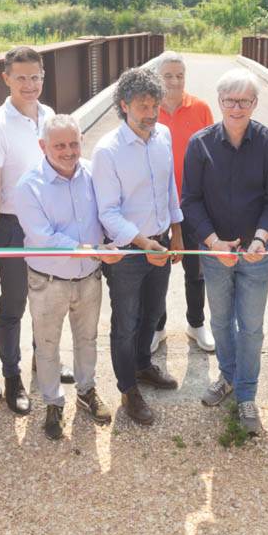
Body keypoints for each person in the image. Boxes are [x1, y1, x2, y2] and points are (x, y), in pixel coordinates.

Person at [182, 69, 268, 437]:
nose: (237, 107)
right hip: (215, 250)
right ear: (220, 103)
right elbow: (190, 200)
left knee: (253, 326)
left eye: (245, 101)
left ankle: (246, 393)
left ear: (255, 104)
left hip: (256, 250)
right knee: (220, 320)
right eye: (230, 101)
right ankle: (227, 377)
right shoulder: (200, 143)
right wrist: (213, 242)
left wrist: (260, 238)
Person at [0, 46, 71, 416]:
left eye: (36, 77)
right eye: (22, 78)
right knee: (14, 306)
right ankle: (12, 377)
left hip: (50, 222)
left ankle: (42, 363)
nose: (30, 85)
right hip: (14, 226)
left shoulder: (50, 116)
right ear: (6, 79)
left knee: (48, 301)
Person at [14, 115, 121, 440]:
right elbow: (43, 238)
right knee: (47, 346)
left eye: (74, 143)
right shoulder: (28, 186)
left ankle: (86, 391)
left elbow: (109, 213)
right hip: (48, 282)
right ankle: (53, 402)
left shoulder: (93, 173)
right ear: (43, 146)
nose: (68, 151)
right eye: (59, 145)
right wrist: (93, 249)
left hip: (89, 277)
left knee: (87, 340)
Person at [92, 67, 184, 426]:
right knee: (126, 322)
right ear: (123, 105)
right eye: (143, 106)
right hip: (129, 252)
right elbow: (107, 211)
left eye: (155, 106)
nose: (150, 114)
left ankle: (144, 365)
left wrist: (176, 233)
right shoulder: (107, 151)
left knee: (153, 312)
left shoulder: (163, 135)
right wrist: (144, 242)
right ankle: (128, 388)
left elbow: (169, 188)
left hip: (160, 245)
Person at [153, 52, 216, 354]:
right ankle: (157, 327)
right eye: (168, 75)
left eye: (179, 75)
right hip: (156, 207)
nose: (175, 81)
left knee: (196, 270)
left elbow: (214, 158)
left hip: (193, 204)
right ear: (157, 78)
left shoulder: (201, 109)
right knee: (157, 271)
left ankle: (196, 323)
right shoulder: (148, 110)